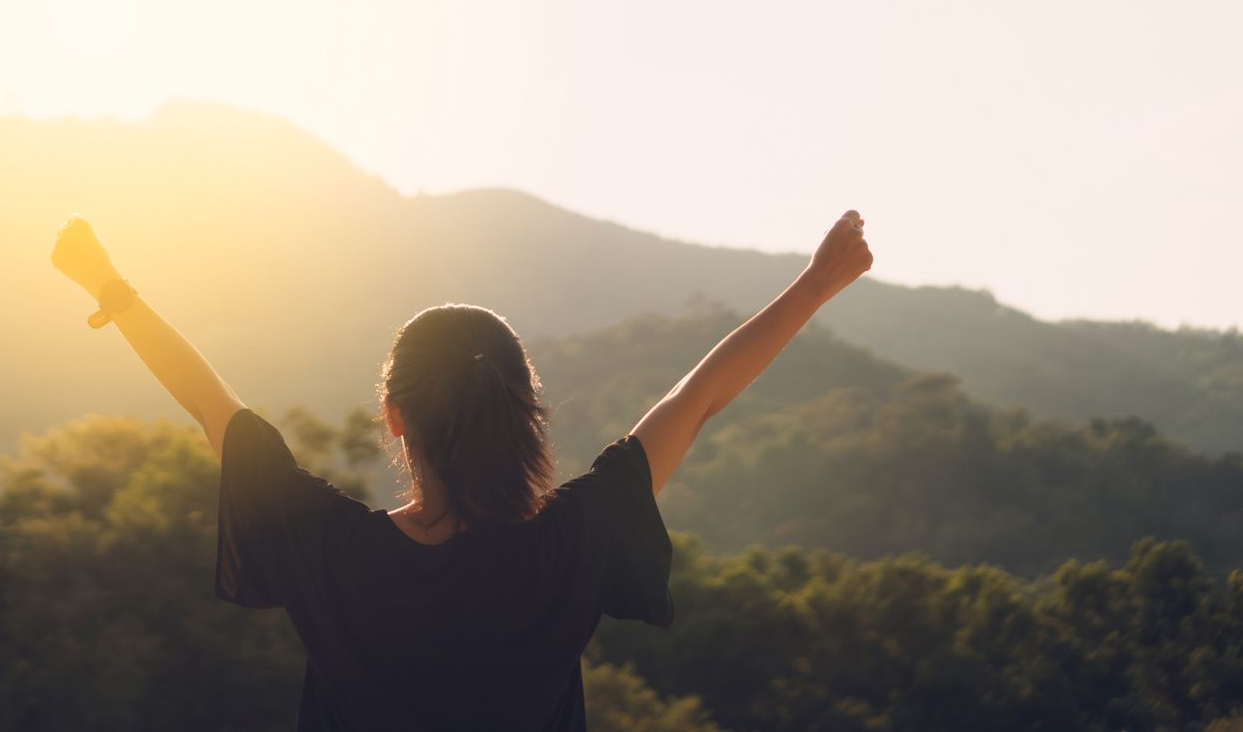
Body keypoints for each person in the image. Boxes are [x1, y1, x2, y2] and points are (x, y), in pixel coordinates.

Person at [50, 208, 873, 731]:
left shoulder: (335, 552)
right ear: (523, 415)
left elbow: (211, 406)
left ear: (396, 419)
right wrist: (816, 283)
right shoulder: (569, 545)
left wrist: (112, 289)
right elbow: (696, 401)